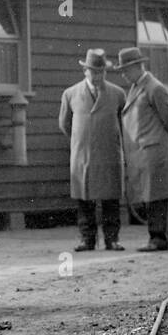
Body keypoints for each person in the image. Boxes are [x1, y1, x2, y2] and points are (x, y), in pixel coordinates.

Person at [113, 46, 168, 252]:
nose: (123, 74)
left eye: (126, 69)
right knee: (151, 195)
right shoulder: (137, 87)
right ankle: (162, 239)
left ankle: (158, 239)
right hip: (143, 152)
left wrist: (164, 143)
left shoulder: (154, 88)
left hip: (153, 151)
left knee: (156, 196)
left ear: (137, 66)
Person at [59, 48, 125, 251]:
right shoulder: (70, 94)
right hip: (83, 155)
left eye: (101, 72)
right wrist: (81, 139)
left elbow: (124, 123)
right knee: (84, 198)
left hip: (109, 153)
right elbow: (64, 124)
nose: (97, 76)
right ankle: (87, 239)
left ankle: (111, 239)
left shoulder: (117, 94)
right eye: (93, 71)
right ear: (85, 71)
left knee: (110, 199)